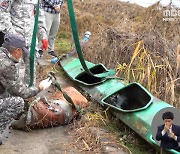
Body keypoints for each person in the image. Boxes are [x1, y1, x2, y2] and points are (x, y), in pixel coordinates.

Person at [0, 33, 52, 145]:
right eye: (22, 51)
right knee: (18, 102)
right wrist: (40, 87)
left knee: (7, 93)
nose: (22, 54)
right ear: (16, 50)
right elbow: (21, 92)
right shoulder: (6, 65)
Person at [0, 0, 48, 85]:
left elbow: (40, 16)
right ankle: (11, 94)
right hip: (14, 40)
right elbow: (3, 12)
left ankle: (29, 91)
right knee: (12, 68)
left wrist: (43, 36)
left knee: (31, 67)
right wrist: (12, 34)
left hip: (31, 40)